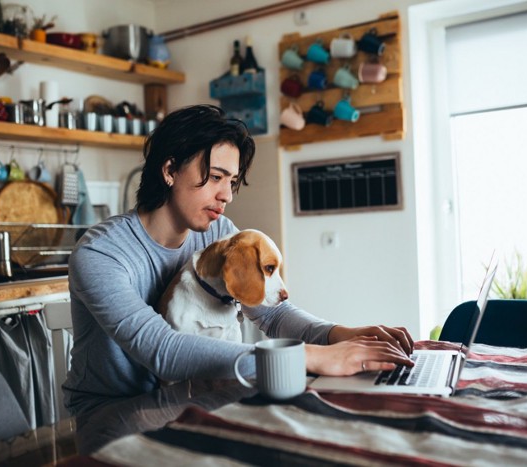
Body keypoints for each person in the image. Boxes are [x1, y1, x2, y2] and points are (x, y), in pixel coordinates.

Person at [63, 104, 414, 416]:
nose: (226, 195)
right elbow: (162, 350)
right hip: (112, 413)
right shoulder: (101, 252)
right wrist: (307, 356)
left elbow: (272, 313)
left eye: (231, 181)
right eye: (215, 177)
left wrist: (337, 335)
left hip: (194, 399)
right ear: (169, 170)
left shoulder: (218, 233)